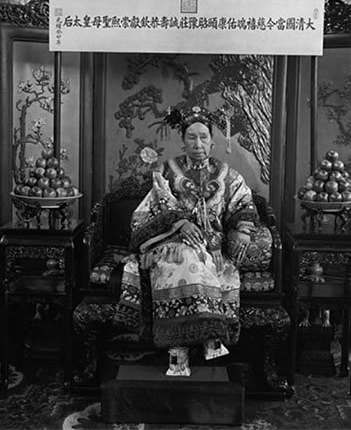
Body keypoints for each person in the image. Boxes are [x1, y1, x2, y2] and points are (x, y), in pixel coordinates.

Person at [114, 105, 269, 376]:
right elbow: (155, 205)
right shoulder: (167, 171)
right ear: (183, 141)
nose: (198, 144)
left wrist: (242, 230)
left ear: (212, 141)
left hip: (211, 244)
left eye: (203, 137)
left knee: (204, 259)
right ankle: (190, 345)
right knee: (183, 259)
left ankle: (188, 345)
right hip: (170, 240)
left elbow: (244, 204)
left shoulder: (227, 175)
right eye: (191, 137)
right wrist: (180, 224)